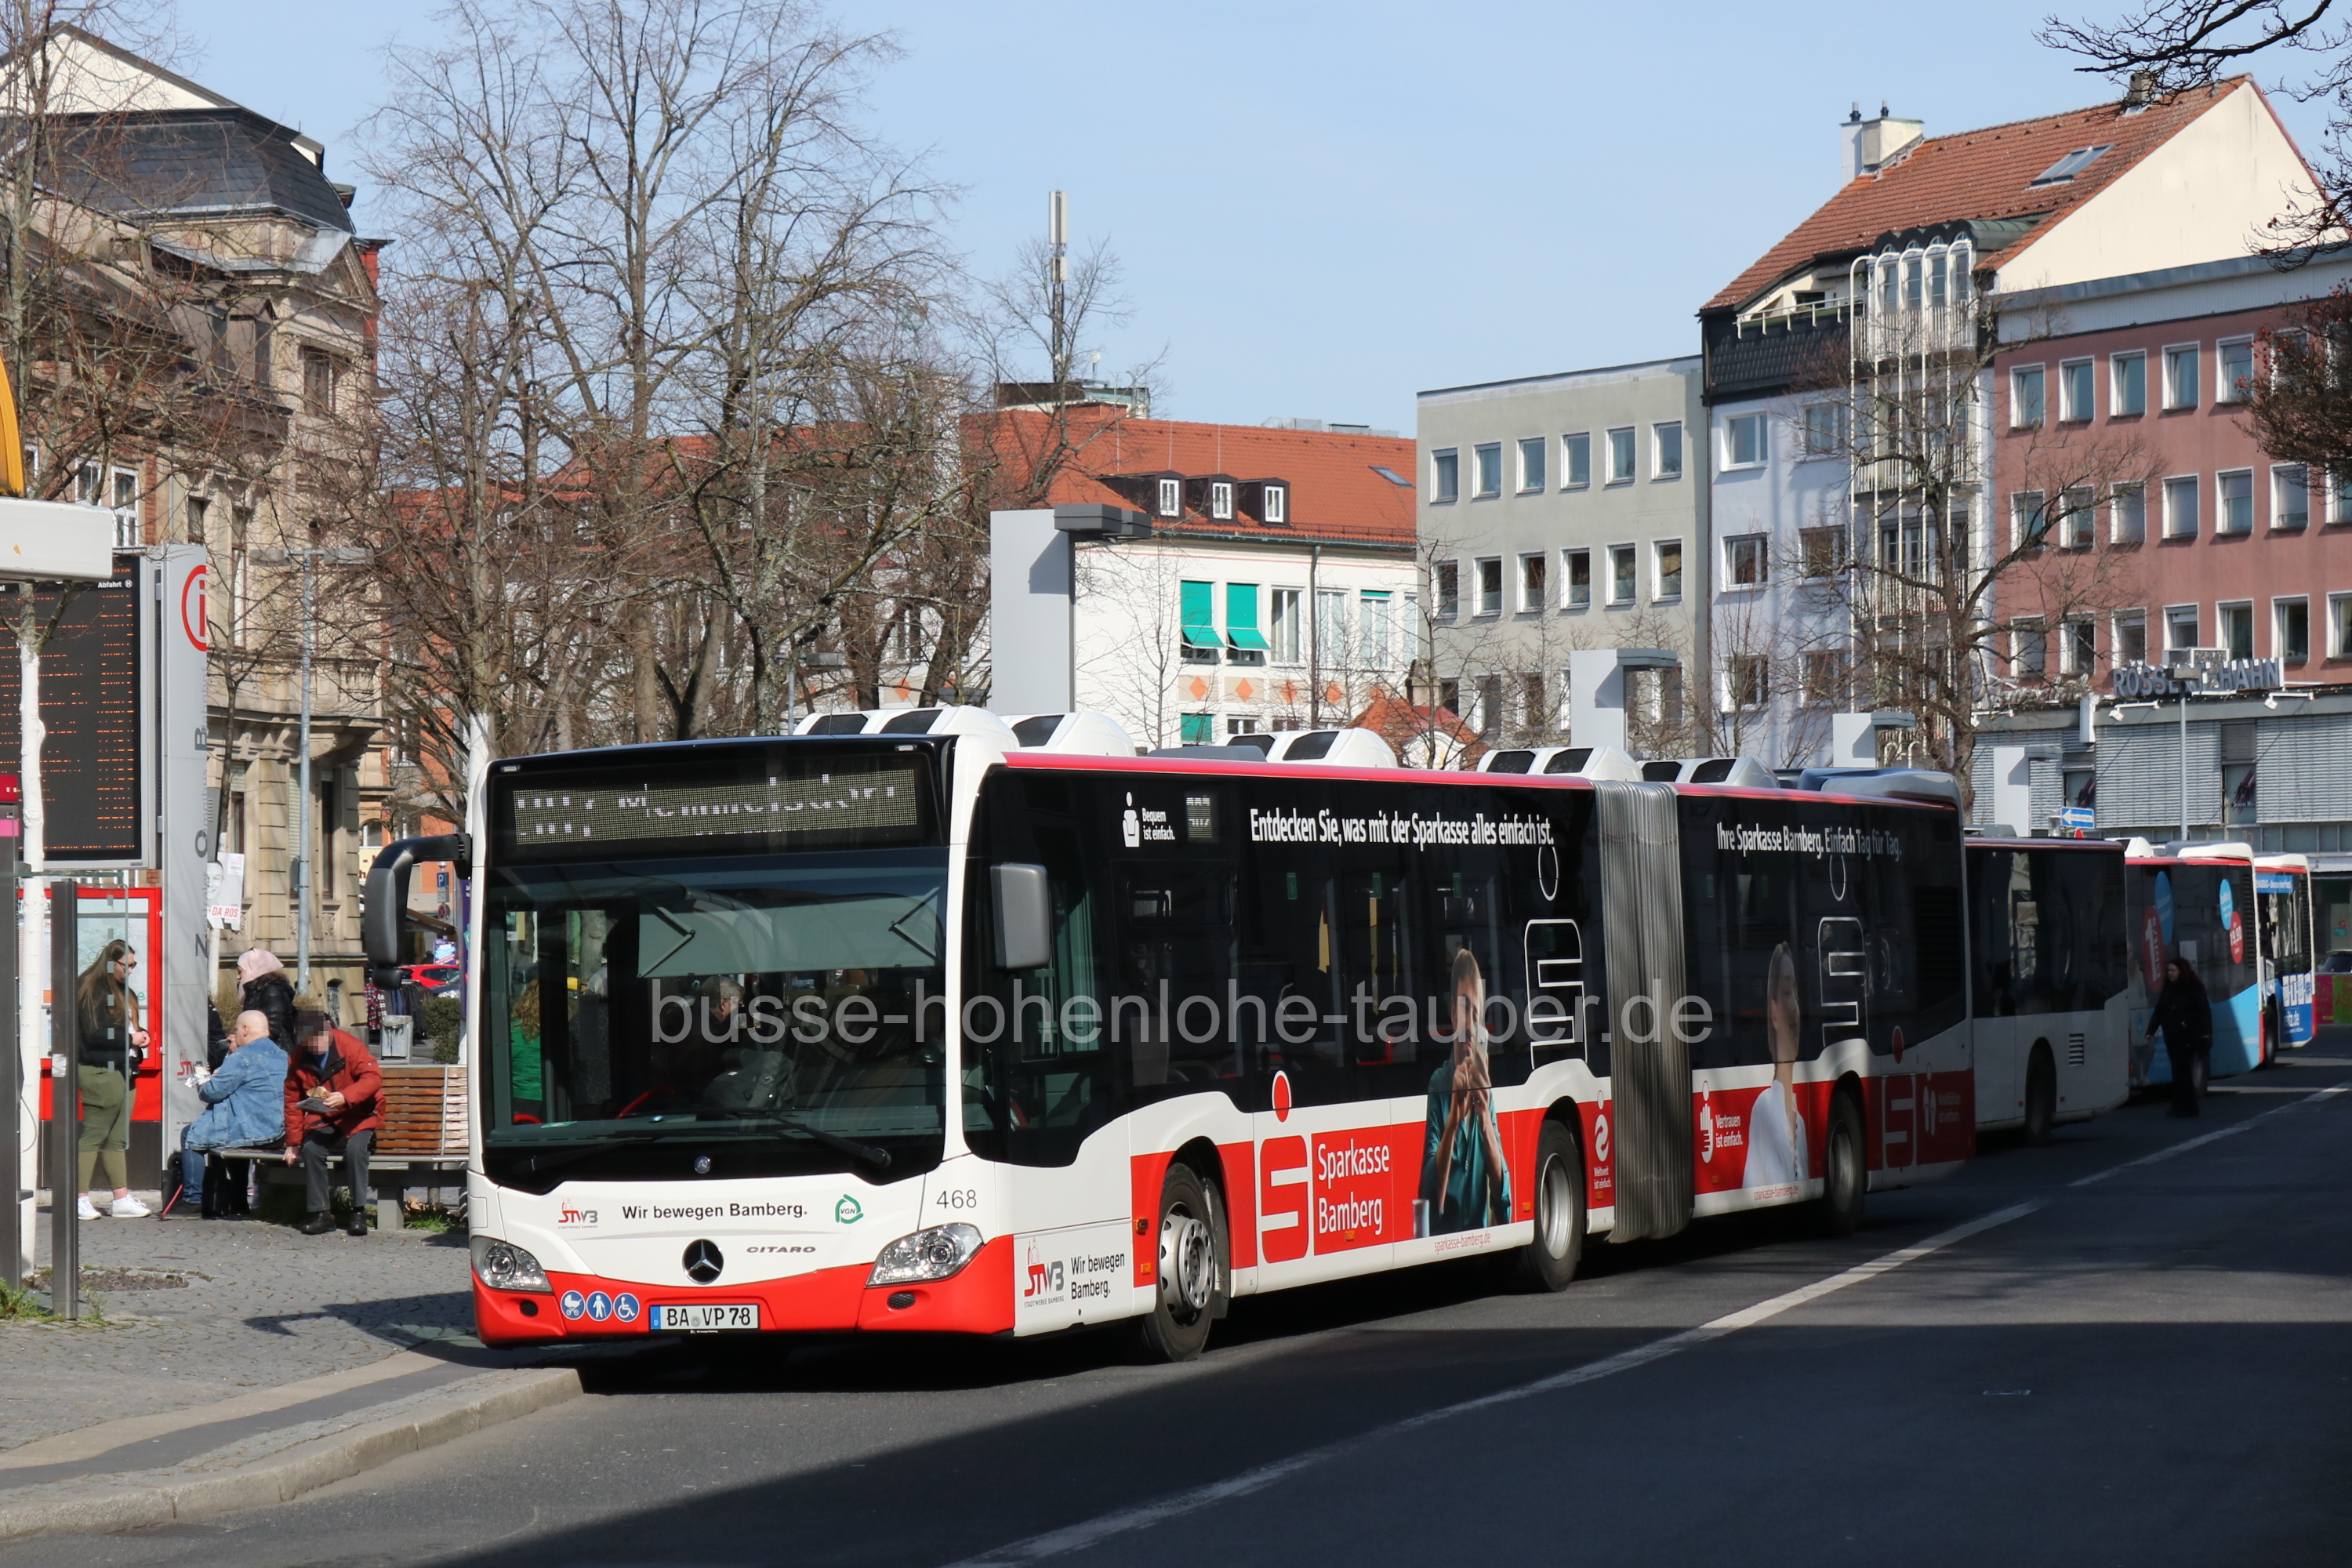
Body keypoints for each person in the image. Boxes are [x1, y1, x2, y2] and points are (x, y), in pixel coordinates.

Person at [1419, 946, 1512, 1235]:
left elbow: (1504, 1204)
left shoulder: (1484, 1086)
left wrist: (1484, 1119)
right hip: (1444, 1243)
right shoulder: (1438, 1083)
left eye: (1477, 1014)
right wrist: (1453, 1120)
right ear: (1452, 1014)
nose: (1471, 1026)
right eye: (1464, 1009)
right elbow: (1430, 1201)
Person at [283, 1010, 383, 1236]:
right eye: (309, 1041)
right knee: (311, 1149)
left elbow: (373, 1078)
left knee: (356, 1150)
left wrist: (346, 1096)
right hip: (326, 1115)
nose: (315, 1045)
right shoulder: (297, 1057)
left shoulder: (350, 1045)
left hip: (360, 1112)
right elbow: (292, 1101)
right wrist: (294, 1142)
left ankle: (358, 1213)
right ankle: (321, 1214)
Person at [179, 1010, 287, 1218]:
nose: (235, 1034)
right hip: (280, 1130)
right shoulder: (282, 1055)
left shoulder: (242, 1057)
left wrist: (202, 1083)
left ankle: (192, 1200)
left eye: (237, 1030)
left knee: (190, 1135)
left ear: (245, 1030)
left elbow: (213, 1092)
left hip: (255, 1130)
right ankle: (238, 1204)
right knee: (234, 1134)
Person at [74, 939, 152, 1220]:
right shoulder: (92, 990)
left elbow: (126, 1027)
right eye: (126, 965)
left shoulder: (123, 991)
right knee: (94, 1135)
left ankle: (121, 1197)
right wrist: (130, 1038)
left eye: (134, 965)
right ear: (110, 962)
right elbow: (95, 1034)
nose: (130, 970)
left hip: (124, 1069)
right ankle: (79, 1197)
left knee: (117, 1138)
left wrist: (140, 1036)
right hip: (99, 1069)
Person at [1743, 942, 1810, 1198]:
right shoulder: (1763, 1108)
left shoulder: (1800, 1124)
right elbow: (1750, 1191)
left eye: (1796, 993)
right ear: (1774, 1013)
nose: (1794, 1007)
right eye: (1786, 992)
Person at [2147, 954, 2212, 1116]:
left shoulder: (2194, 988)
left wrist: (2205, 1034)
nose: (2170, 974)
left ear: (2181, 971)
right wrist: (2151, 1030)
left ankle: (2185, 1106)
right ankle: (2184, 1106)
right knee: (2179, 1071)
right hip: (2172, 1036)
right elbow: (2159, 1011)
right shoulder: (2168, 989)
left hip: (2188, 1036)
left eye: (2173, 971)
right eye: (2169, 971)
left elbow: (2204, 1011)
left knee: (2182, 1071)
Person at [238, 949, 298, 1054]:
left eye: (240, 972)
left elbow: (271, 1029)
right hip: (265, 1052)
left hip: (276, 1053)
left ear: (253, 968)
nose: (238, 977)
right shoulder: (257, 992)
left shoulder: (272, 992)